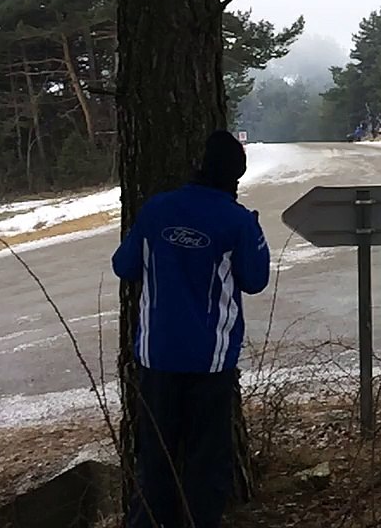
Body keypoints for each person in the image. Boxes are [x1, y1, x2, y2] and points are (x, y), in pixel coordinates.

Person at [112, 131, 270, 528]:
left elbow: (124, 266)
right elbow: (255, 279)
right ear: (237, 176)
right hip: (210, 364)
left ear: (196, 166)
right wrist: (254, 232)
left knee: (155, 462)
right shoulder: (238, 222)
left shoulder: (155, 211)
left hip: (157, 359)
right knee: (206, 467)